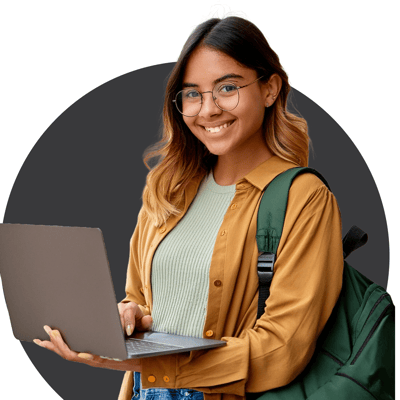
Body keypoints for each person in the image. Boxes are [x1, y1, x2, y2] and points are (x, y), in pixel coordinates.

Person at [34, 16, 343, 400]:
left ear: (270, 88)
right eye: (193, 93)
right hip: (147, 392)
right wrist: (127, 317)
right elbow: (141, 298)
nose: (208, 109)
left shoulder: (304, 197)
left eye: (227, 88)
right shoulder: (168, 190)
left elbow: (282, 348)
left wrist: (143, 364)